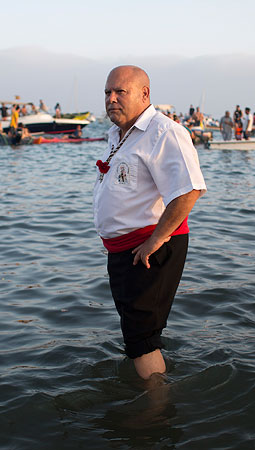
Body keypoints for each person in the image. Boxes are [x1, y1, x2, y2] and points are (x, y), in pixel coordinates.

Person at [94, 65, 206, 380]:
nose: (111, 99)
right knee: (137, 332)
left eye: (120, 92)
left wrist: (155, 241)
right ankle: (154, 386)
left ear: (145, 94)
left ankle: (155, 414)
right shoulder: (118, 134)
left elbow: (190, 189)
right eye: (107, 92)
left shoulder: (163, 131)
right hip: (126, 251)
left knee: (140, 339)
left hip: (150, 250)